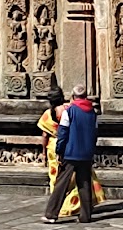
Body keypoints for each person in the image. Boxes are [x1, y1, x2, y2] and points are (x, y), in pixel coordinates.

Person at [37, 85, 104, 220]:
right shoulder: (92, 112)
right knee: (84, 183)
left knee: (62, 183)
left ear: (73, 96)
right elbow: (94, 133)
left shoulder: (70, 111)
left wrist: (59, 150)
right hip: (86, 153)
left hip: (70, 152)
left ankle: (51, 214)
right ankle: (86, 216)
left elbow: (63, 133)